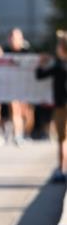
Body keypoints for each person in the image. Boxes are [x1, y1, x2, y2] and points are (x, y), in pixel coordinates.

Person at [36, 32, 67, 182]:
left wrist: (41, 63)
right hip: (60, 104)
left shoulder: (59, 65)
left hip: (61, 106)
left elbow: (40, 75)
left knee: (62, 139)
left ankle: (62, 168)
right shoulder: (58, 64)